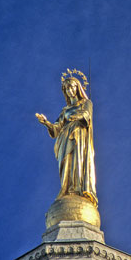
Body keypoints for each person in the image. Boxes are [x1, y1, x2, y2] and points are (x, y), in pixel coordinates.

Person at [36, 75, 98, 206]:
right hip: (65, 138)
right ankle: (68, 189)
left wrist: (79, 116)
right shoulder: (65, 111)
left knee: (78, 161)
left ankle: (78, 189)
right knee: (66, 164)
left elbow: (87, 115)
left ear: (77, 88)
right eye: (66, 89)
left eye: (71, 87)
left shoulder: (86, 103)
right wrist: (46, 122)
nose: (69, 91)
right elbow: (56, 128)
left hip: (79, 137)